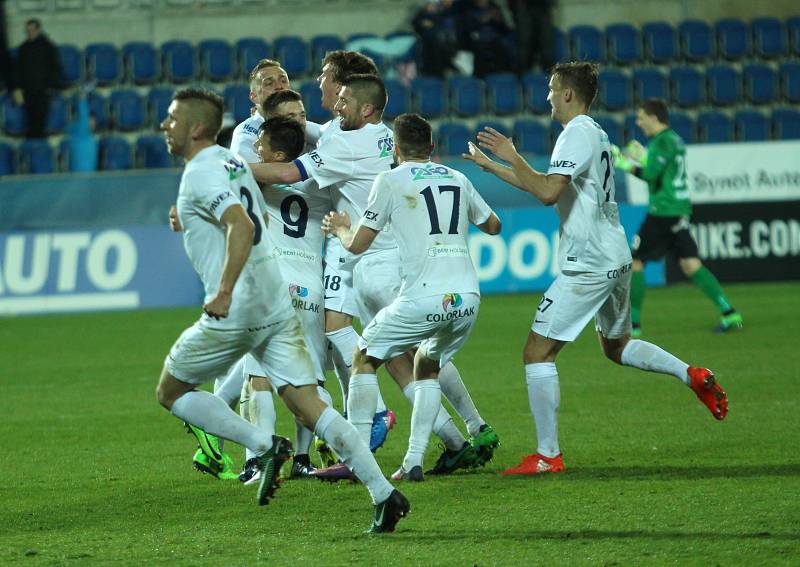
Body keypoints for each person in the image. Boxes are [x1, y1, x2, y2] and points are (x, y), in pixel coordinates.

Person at [156, 87, 408, 533]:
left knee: (171, 392)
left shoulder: (203, 171)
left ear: (196, 127)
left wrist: (224, 291)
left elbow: (242, 223)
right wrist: (187, 215)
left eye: (172, 118)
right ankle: (384, 493)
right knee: (308, 402)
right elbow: (256, 216)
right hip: (279, 294)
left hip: (243, 300)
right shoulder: (232, 164)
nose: (165, 126)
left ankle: (261, 444)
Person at [463, 62, 728, 476]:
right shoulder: (595, 133)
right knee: (615, 346)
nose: (548, 96)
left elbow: (549, 193)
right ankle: (690, 374)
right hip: (614, 254)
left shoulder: (576, 134)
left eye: (552, 89)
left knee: (537, 352)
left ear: (569, 93)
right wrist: (493, 167)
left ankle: (548, 455)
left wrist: (512, 154)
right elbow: (547, 186)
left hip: (587, 261)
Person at [322, 113, 501, 480]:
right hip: (466, 298)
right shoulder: (458, 178)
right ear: (432, 149)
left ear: (397, 149)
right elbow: (494, 225)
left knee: (363, 357)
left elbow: (357, 245)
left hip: (423, 295)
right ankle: (414, 461)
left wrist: (340, 228)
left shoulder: (390, 179)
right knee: (426, 366)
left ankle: (359, 459)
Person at [613, 98, 743, 336]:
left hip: (663, 212)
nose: (639, 123)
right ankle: (730, 313)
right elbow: (665, 171)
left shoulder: (662, 142)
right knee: (690, 264)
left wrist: (622, 162)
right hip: (680, 210)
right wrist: (643, 156)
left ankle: (635, 325)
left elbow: (652, 175)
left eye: (641, 117)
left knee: (636, 261)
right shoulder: (674, 140)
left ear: (654, 118)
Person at [229, 59, 289, 162]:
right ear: (254, 96)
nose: (279, 86)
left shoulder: (299, 123)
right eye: (269, 83)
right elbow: (250, 171)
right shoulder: (245, 133)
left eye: (283, 81)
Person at [12, 18, 62, 139]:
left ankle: (40, 148)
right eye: (28, 30)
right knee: (29, 122)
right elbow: (18, 70)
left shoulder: (48, 47)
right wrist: (17, 88)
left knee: (41, 122)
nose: (30, 32)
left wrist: (50, 86)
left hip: (43, 91)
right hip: (28, 92)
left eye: (33, 30)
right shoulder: (23, 48)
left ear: (38, 30)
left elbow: (56, 67)